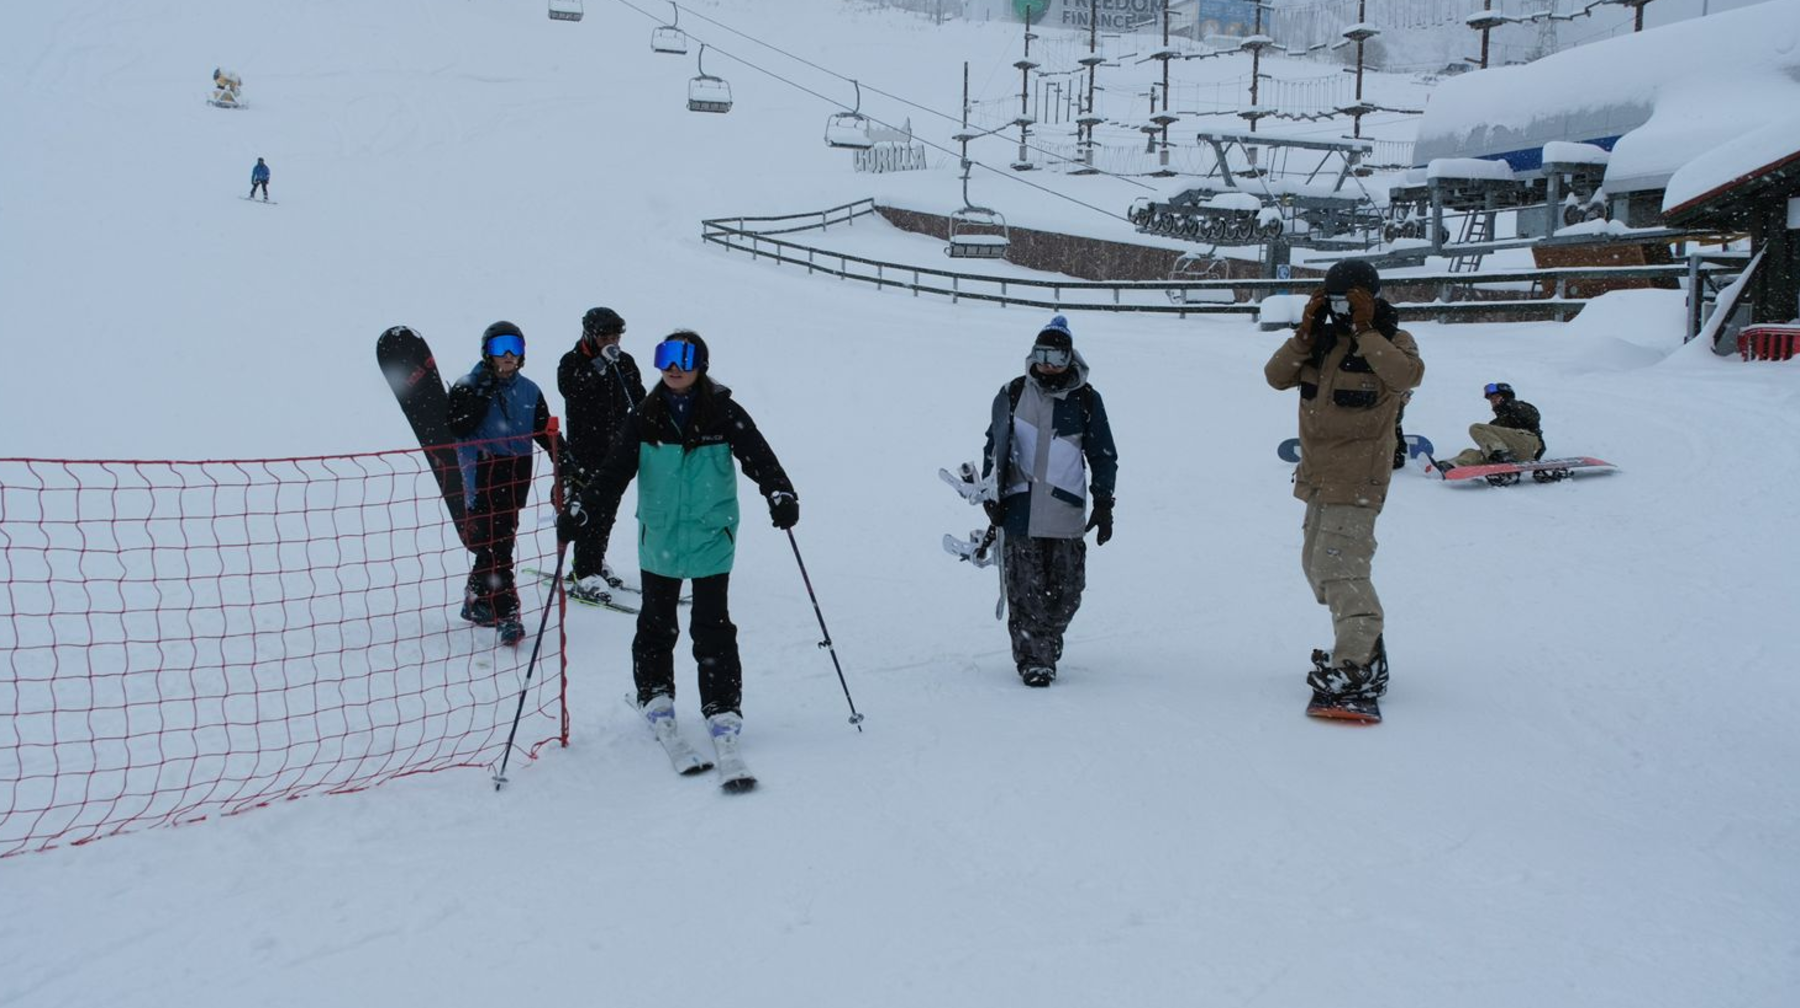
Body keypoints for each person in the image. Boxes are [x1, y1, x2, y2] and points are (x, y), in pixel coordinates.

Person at [558, 330, 797, 759]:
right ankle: (654, 693)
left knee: (712, 625)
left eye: (683, 357)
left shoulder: (722, 412)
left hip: (710, 533)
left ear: (700, 364)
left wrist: (780, 492)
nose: (673, 366)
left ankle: (721, 703)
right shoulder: (645, 416)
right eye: (665, 356)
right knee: (656, 621)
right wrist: (584, 508)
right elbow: (613, 472)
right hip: (661, 533)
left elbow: (759, 457)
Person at [1264, 258, 1424, 715]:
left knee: (1341, 568)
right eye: (1333, 302)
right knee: (1316, 568)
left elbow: (1405, 376)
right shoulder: (1320, 343)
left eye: (1349, 301)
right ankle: (1364, 645)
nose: (1340, 311)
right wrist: (1305, 334)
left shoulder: (1393, 340)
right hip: (1317, 477)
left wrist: (1366, 328)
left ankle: (1357, 662)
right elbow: (1275, 377)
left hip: (1359, 478)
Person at [980, 314, 1119, 689]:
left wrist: (1104, 502)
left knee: (1067, 591)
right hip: (1019, 509)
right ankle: (1033, 659)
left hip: (1065, 510)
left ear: (1069, 359)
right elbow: (995, 445)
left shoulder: (1086, 400)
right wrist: (991, 492)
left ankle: (1047, 639)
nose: (1047, 364)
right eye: (1041, 354)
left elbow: (1103, 455)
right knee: (1025, 592)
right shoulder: (1013, 393)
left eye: (1056, 357)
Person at [447, 321, 559, 646]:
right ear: (487, 352)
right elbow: (458, 425)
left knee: (498, 540)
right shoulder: (468, 386)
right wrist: (481, 389)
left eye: (515, 347)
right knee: (499, 544)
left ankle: (477, 598)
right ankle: (507, 613)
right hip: (483, 471)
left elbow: (543, 432)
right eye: (500, 348)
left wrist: (564, 460)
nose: (508, 355)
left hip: (516, 473)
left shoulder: (530, 390)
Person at [556, 306, 646, 604]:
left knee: (608, 511)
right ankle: (585, 571)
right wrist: (598, 366)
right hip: (585, 452)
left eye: (616, 336)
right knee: (587, 511)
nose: (611, 341)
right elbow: (571, 390)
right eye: (605, 335)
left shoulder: (626, 363)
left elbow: (640, 398)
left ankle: (596, 560)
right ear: (590, 335)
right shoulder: (572, 362)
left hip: (618, 451)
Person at [1436, 382, 1543, 472]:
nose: (1493, 401)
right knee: (1471, 452)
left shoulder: (1521, 407)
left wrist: (1509, 403)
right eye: (1491, 399)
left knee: (1476, 428)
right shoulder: (1496, 423)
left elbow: (1533, 417)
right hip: (1515, 454)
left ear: (1506, 396)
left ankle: (1502, 454)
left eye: (1496, 397)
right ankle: (1450, 465)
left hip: (1528, 442)